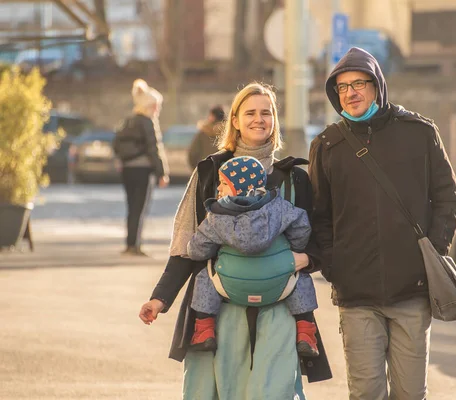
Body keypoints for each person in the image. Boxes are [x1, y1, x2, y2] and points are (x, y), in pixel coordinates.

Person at [139, 82, 331, 399]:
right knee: (215, 391)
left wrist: (306, 260)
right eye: (250, 112)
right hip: (218, 307)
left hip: (279, 307)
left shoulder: (296, 178)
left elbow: (317, 237)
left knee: (273, 392)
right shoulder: (209, 173)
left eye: (266, 112)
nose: (259, 119)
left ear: (275, 120)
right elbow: (187, 244)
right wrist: (160, 298)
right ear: (235, 120)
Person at [309, 47, 456, 400]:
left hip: (412, 290)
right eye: (342, 87)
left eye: (359, 83)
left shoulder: (419, 132)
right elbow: (319, 216)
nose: (351, 93)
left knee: (411, 393)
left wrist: (433, 253)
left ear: (377, 85)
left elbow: (448, 197)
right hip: (356, 293)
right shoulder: (327, 146)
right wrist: (335, 267)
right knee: (366, 392)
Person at [186, 155, 320, 357]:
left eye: (223, 183)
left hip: (230, 287)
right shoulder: (279, 207)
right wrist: (294, 247)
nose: (219, 189)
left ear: (240, 187)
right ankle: (306, 331)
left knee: (205, 277)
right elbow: (302, 225)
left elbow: (198, 252)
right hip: (278, 286)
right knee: (300, 276)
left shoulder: (216, 216)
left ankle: (204, 329)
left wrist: (206, 248)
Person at [113, 79, 169, 256]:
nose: (157, 110)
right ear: (149, 106)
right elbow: (154, 148)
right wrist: (162, 173)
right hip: (143, 171)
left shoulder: (128, 121)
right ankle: (135, 246)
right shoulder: (147, 122)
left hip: (128, 170)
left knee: (131, 207)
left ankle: (130, 244)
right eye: (156, 106)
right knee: (140, 207)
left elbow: (115, 144)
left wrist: (121, 161)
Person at [187, 105, 226, 169]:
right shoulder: (229, 133)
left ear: (212, 116)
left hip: (204, 171)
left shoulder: (203, 133)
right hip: (224, 172)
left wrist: (197, 170)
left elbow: (192, 154)